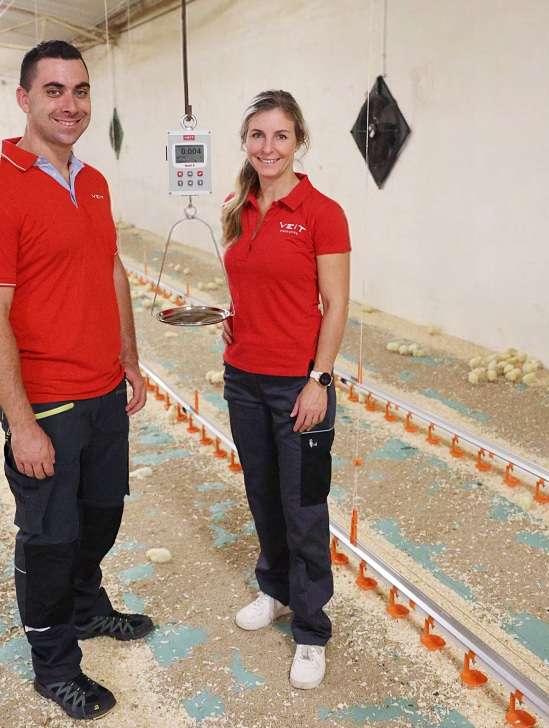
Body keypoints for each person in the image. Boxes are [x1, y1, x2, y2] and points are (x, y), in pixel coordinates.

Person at [0, 40, 151, 721]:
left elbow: (111, 270)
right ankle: (53, 661)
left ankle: (89, 606)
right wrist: (22, 422)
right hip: (47, 402)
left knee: (104, 513)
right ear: (24, 98)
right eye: (54, 91)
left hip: (103, 390)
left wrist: (129, 356)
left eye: (80, 91)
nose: (69, 105)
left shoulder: (93, 181)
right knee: (50, 537)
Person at [220, 90, 351, 690]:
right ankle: (274, 591)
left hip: (299, 386)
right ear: (245, 142)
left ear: (298, 141)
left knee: (303, 508)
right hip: (244, 378)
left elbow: (336, 303)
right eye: (257, 136)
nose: (267, 148)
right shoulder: (238, 206)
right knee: (262, 494)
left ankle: (311, 628)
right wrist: (234, 318)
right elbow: (255, 284)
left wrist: (318, 380)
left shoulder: (322, 211)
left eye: (279, 136)